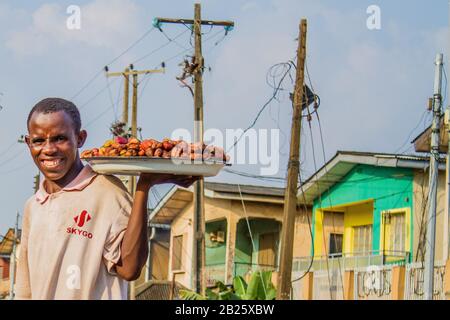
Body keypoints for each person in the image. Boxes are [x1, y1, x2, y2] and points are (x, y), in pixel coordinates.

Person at [15, 97, 197, 299]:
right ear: (28, 142)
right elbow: (25, 289)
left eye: (60, 138)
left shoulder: (107, 191)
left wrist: (143, 188)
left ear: (80, 138)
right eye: (39, 140)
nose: (48, 149)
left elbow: (129, 270)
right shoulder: (33, 206)